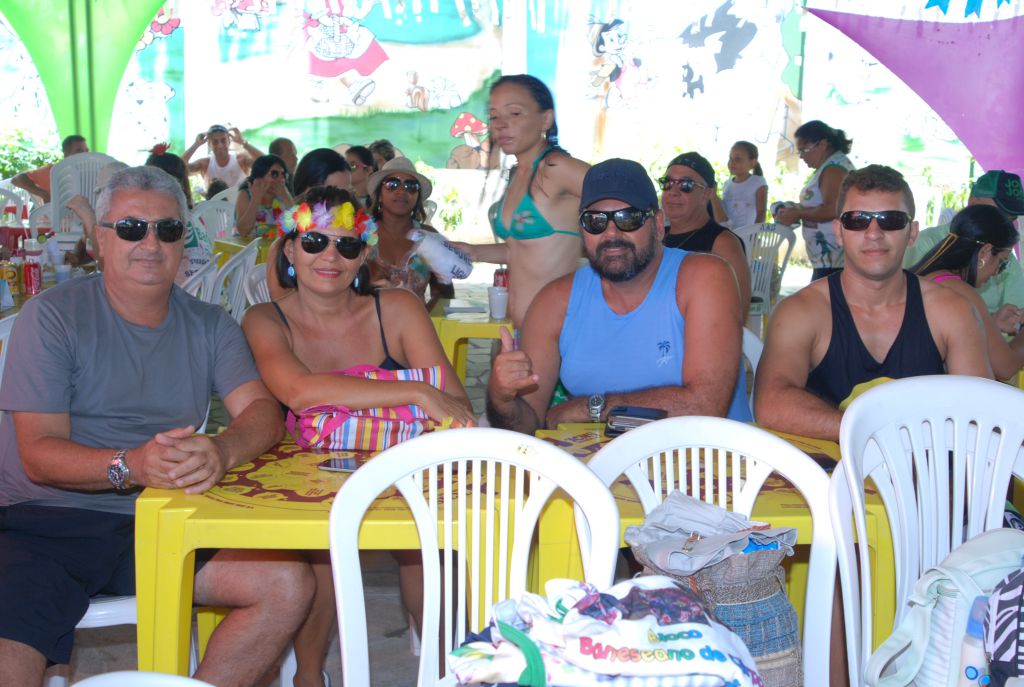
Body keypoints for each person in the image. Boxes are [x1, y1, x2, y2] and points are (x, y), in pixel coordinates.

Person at [0, 166, 313, 687]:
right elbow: (38, 455)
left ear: (182, 242)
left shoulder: (210, 324)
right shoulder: (52, 315)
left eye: (167, 229)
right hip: (44, 521)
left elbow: (263, 413)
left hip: (162, 520)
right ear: (100, 240)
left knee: (287, 583)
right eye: (130, 228)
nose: (150, 243)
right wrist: (133, 464)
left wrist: (222, 450)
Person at [242, 186, 473, 687]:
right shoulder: (265, 319)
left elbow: (457, 407)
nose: (330, 256)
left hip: (402, 470)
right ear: (289, 250)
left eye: (347, 245)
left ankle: (449, 673)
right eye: (314, 242)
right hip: (307, 480)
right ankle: (309, 677)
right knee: (320, 553)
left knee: (429, 551)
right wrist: (414, 391)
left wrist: (418, 397)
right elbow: (298, 391)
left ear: (363, 254)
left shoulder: (397, 309)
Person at [486, 158, 751, 435]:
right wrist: (501, 398)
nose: (611, 233)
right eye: (595, 221)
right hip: (599, 460)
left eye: (628, 218)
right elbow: (528, 422)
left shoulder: (705, 277)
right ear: (582, 230)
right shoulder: (554, 303)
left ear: (658, 224)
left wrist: (591, 408)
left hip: (706, 455)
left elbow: (704, 406)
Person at [755, 164, 991, 442]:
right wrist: (875, 433)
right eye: (857, 220)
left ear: (912, 232)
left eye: (891, 220)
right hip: (827, 467)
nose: (874, 233)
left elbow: (984, 413)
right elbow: (770, 402)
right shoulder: (802, 311)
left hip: (922, 467)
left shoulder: (951, 311)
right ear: (839, 231)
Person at [452, 74, 590, 328]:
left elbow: (625, 194)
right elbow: (519, 250)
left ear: (545, 119)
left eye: (514, 113)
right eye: (494, 116)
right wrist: (474, 251)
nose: (501, 125)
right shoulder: (519, 174)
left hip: (559, 331)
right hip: (521, 329)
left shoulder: (556, 168)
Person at [910, 204, 1024, 379]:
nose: (996, 272)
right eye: (1001, 262)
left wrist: (991, 323)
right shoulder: (960, 291)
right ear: (985, 252)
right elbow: (1005, 367)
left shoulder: (931, 276)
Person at [903, 170, 1024, 328]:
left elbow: (1017, 315)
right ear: (972, 201)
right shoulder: (925, 243)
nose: (1004, 224)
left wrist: (994, 323)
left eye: (1011, 218)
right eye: (998, 214)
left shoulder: (1005, 258)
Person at [659, 151, 751, 314]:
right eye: (668, 183)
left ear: (707, 194)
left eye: (686, 185)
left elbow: (737, 312)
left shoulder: (722, 243)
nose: (673, 191)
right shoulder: (657, 236)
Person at [365, 157, 455, 311]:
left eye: (411, 186)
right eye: (392, 184)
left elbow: (444, 293)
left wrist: (421, 318)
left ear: (417, 197)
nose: (402, 191)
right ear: (379, 195)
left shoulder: (430, 237)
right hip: (367, 323)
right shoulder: (362, 233)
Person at [774, 120, 855, 280]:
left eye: (804, 150)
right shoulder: (829, 166)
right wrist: (796, 210)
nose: (802, 156)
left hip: (834, 260)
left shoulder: (834, 169)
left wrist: (799, 213)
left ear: (822, 144)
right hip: (828, 260)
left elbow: (833, 209)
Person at [11, 135, 89, 204]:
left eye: (86, 151)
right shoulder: (53, 170)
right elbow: (17, 179)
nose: (85, 154)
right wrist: (43, 194)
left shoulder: (92, 169)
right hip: (59, 214)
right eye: (79, 151)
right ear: (66, 154)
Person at [182, 124, 263, 190]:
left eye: (223, 141)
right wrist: (196, 144)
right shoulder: (204, 164)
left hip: (240, 204)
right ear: (209, 144)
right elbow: (178, 168)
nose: (220, 145)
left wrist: (243, 143)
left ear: (229, 142)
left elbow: (266, 163)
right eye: (215, 142)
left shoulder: (241, 160)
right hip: (214, 205)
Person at [235, 154, 293, 239]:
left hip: (276, 245)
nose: (281, 179)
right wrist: (255, 200)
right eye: (274, 174)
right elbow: (243, 231)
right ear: (259, 177)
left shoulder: (284, 194)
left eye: (283, 174)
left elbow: (298, 226)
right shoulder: (246, 194)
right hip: (249, 245)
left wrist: (285, 197)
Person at [716, 140, 768, 228]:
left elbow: (761, 212)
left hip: (748, 234)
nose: (732, 162)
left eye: (737, 159)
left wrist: (754, 233)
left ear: (752, 163)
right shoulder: (727, 184)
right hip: (728, 233)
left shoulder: (758, 182)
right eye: (730, 158)